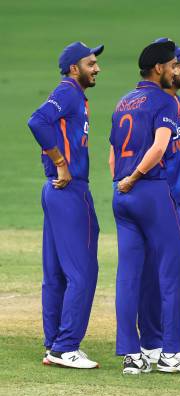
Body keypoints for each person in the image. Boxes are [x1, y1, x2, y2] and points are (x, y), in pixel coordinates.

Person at [110, 39, 180, 375]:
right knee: (174, 273)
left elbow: (113, 153)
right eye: (173, 64)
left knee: (128, 276)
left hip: (123, 196)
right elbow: (159, 146)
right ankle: (172, 352)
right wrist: (138, 176)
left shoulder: (125, 101)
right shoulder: (165, 101)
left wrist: (122, 182)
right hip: (152, 191)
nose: (177, 68)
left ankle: (131, 353)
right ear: (160, 69)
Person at [27, 41, 103, 369]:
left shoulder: (73, 93)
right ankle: (65, 347)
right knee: (83, 271)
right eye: (90, 63)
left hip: (55, 192)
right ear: (75, 68)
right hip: (69, 190)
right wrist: (59, 160)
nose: (97, 68)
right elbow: (37, 121)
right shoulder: (68, 91)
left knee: (56, 273)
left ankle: (54, 343)